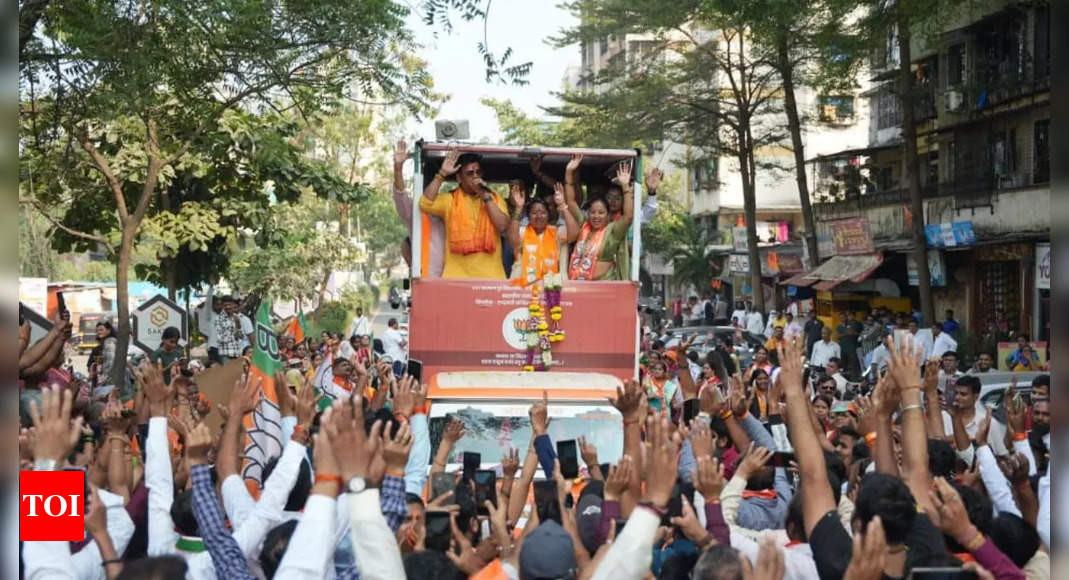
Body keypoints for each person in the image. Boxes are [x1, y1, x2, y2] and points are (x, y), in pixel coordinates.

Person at [418, 149, 510, 279]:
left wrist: (484, 195)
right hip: (456, 277)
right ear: (459, 178)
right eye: (470, 173)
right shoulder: (450, 200)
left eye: (478, 172)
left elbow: (502, 226)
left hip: (491, 277)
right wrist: (442, 173)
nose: (475, 177)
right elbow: (425, 203)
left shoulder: (494, 198)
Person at [564, 156, 635, 281]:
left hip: (606, 286)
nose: (596, 216)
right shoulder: (584, 225)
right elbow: (570, 202)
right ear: (588, 214)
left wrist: (625, 187)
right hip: (580, 285)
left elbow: (628, 216)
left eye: (601, 213)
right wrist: (569, 172)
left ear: (608, 215)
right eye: (593, 212)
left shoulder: (613, 231)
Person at [507, 181, 578, 284]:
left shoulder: (557, 232)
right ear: (528, 216)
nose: (539, 216)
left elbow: (575, 234)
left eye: (543, 213)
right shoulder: (522, 232)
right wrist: (518, 208)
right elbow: (513, 241)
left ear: (548, 215)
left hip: (552, 288)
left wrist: (563, 205)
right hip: (524, 288)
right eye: (534, 213)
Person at [393, 139, 445, 277]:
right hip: (425, 282)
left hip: (451, 279)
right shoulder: (414, 213)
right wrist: (398, 168)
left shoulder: (448, 207)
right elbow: (400, 195)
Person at [87, 320, 118, 396]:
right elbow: (89, 364)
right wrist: (93, 367)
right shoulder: (96, 349)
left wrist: (105, 378)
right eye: (97, 330)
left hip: (108, 381)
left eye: (101, 330)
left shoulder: (111, 343)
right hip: (97, 380)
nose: (99, 332)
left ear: (108, 330)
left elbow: (111, 364)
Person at [213, 295, 244, 364]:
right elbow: (220, 338)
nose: (228, 307)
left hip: (237, 353)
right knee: (228, 374)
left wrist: (238, 325)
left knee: (238, 374)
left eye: (229, 304)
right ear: (222, 306)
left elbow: (241, 337)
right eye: (225, 305)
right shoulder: (218, 318)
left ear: (233, 304)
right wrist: (234, 335)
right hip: (225, 355)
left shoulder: (237, 317)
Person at [835, 311, 863, 377]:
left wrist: (848, 333)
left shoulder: (851, 324)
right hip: (842, 347)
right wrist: (846, 334)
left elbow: (853, 333)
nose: (842, 319)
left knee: (853, 362)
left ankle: (854, 377)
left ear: (846, 317)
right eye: (841, 318)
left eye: (843, 317)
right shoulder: (838, 327)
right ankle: (842, 376)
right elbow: (837, 336)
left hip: (851, 347)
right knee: (842, 363)